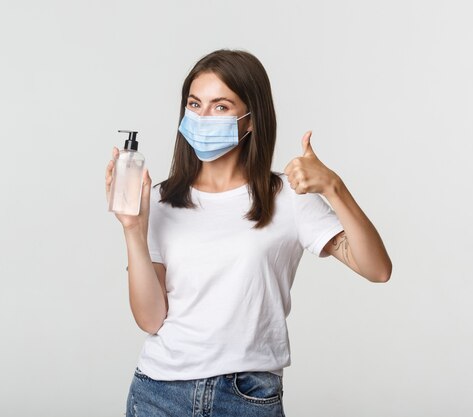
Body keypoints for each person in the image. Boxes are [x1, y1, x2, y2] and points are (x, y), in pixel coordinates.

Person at [105, 49, 392, 417]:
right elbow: (150, 319)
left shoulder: (287, 196)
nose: (203, 117)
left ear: (251, 120)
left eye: (221, 107)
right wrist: (132, 229)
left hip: (247, 396)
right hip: (159, 393)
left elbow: (377, 269)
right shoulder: (160, 199)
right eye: (195, 104)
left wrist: (334, 187)